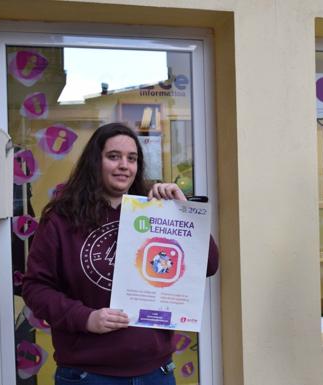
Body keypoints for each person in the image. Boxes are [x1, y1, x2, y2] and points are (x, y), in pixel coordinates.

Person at [22, 123, 219, 385]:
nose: (124, 165)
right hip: (87, 374)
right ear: (95, 162)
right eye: (113, 156)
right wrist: (86, 318)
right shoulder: (61, 218)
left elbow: (209, 265)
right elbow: (36, 288)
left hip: (155, 372)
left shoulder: (156, 212)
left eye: (132, 158)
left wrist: (183, 212)